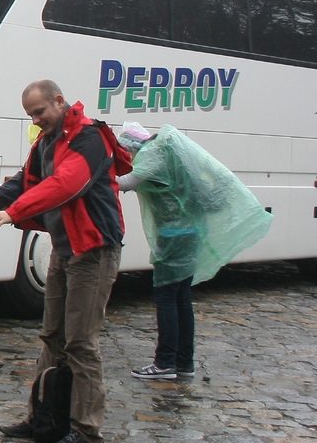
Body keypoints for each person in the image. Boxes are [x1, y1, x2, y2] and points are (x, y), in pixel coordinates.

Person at [0, 79, 130, 443]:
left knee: (80, 343)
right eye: (30, 115)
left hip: (94, 251)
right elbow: (24, 179)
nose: (35, 120)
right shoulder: (48, 141)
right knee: (52, 337)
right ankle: (42, 418)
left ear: (59, 101)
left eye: (39, 112)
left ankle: (87, 432)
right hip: (65, 249)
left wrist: (12, 213)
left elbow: (65, 184)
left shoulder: (89, 138)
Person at [116, 123, 270, 382]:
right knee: (181, 298)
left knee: (166, 297)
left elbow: (126, 182)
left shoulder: (151, 155)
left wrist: (92, 176)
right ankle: (184, 362)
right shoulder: (167, 153)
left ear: (131, 145)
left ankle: (165, 362)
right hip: (189, 233)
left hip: (173, 237)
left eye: (126, 151)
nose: (128, 157)